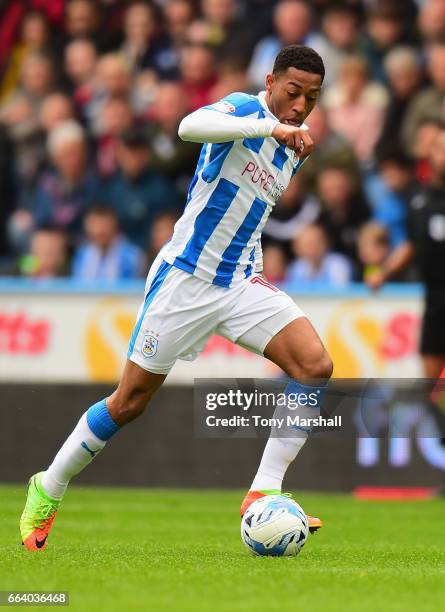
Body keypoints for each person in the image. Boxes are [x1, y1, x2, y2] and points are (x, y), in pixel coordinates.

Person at [20, 45, 333, 551]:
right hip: (184, 281)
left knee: (314, 365)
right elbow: (190, 126)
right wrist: (267, 127)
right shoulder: (246, 112)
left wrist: (283, 141)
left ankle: (262, 493)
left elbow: (247, 214)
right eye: (293, 93)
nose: (300, 107)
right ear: (271, 82)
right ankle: (48, 487)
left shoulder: (293, 147)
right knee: (129, 402)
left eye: (312, 99)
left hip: (237, 283)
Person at [366, 127, 445, 380]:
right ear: (430, 154)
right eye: (440, 149)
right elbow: (410, 245)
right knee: (431, 388)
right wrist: (384, 273)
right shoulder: (418, 200)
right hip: (435, 302)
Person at [71, 204, 146, 280]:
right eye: (94, 225)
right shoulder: (81, 255)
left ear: (114, 224)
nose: (99, 231)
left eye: (103, 225)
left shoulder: (132, 256)